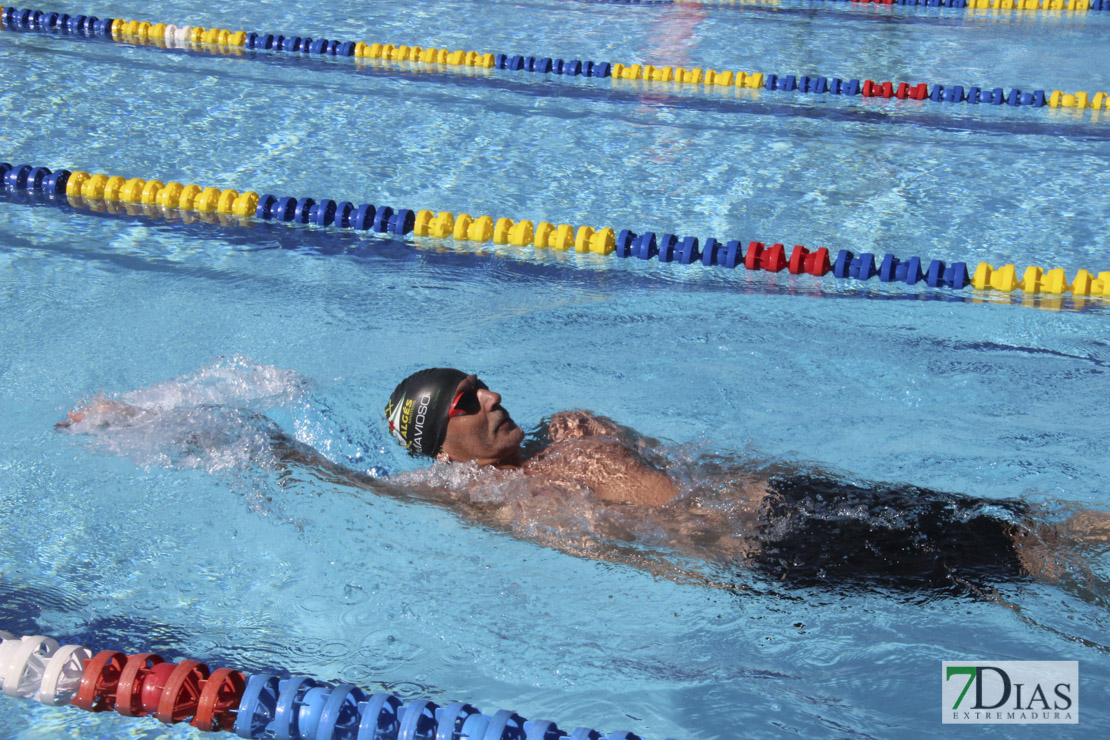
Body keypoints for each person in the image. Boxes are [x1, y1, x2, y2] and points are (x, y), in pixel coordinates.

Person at [58, 366, 1108, 597]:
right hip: (779, 551)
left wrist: (629, 435)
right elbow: (309, 465)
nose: (489, 396)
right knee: (1016, 561)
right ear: (444, 440)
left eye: (482, 382)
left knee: (1019, 519)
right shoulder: (474, 493)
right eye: (467, 399)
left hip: (792, 492)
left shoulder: (571, 428)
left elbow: (684, 466)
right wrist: (158, 422)